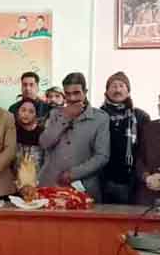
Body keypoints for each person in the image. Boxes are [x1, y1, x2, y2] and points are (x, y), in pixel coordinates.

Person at [38, 73, 109, 202]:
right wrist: (65, 117)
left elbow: (102, 156)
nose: (72, 98)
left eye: (76, 93)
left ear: (85, 92)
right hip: (51, 186)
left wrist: (73, 174)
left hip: (83, 187)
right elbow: (44, 143)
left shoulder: (100, 118)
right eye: (68, 94)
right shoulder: (55, 114)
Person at [100, 72, 150, 205]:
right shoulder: (98, 115)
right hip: (102, 179)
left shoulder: (140, 116)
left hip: (131, 180)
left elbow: (146, 149)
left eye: (121, 86)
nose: (117, 90)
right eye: (113, 86)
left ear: (128, 91)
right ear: (106, 91)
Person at [13, 99, 44, 178]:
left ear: (36, 115)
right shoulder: (12, 132)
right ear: (17, 112)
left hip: (37, 181)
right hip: (14, 180)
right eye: (23, 110)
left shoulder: (43, 134)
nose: (26, 114)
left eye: (31, 111)